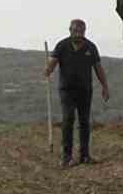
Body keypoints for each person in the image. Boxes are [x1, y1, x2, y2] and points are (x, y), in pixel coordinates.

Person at [44, 19, 110, 168]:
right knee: (68, 119)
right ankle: (66, 157)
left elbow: (98, 68)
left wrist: (105, 86)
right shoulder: (62, 45)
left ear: (84, 31)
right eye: (75, 31)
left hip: (85, 90)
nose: (78, 34)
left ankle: (84, 156)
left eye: (81, 31)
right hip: (67, 90)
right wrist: (48, 70)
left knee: (84, 122)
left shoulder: (91, 47)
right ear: (70, 30)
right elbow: (52, 63)